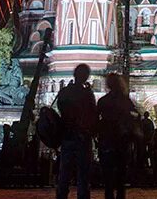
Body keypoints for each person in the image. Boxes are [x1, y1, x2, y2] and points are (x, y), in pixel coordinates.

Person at [55, 64, 97, 199]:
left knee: (64, 173)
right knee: (83, 175)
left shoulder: (65, 92)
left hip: (67, 136)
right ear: (86, 77)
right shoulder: (86, 94)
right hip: (83, 136)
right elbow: (92, 114)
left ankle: (61, 196)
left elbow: (60, 108)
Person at [96, 73, 139, 199]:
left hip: (106, 141)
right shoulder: (125, 100)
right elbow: (135, 115)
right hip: (122, 141)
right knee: (121, 177)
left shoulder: (103, 101)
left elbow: (96, 119)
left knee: (108, 178)